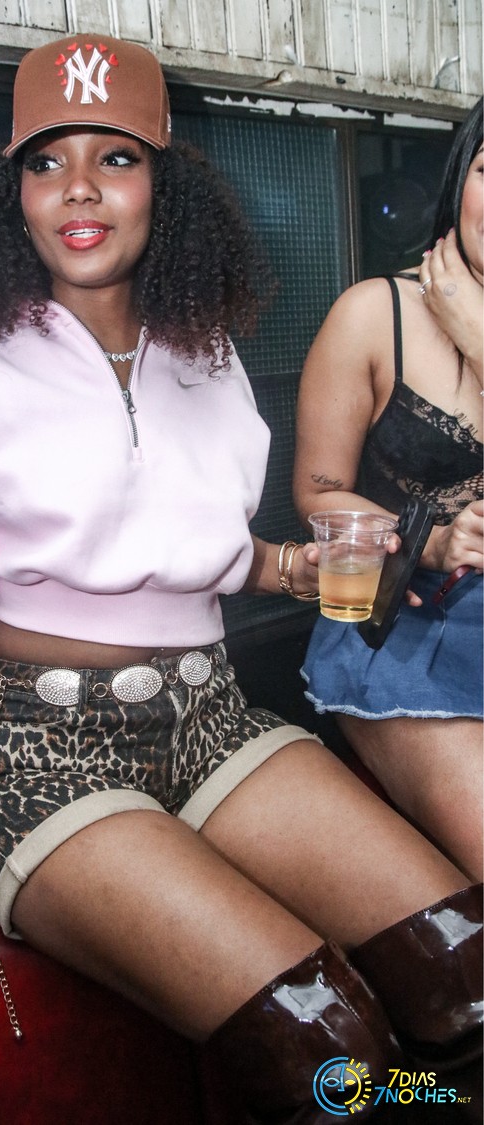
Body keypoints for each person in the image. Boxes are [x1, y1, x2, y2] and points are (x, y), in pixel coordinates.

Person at [0, 37, 481, 1123]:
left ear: (165, 186)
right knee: (320, 1036)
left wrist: (302, 567)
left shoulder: (203, 357)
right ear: (14, 196)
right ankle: (403, 1105)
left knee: (463, 967)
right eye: (46, 162)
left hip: (211, 719)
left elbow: (210, 552)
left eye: (115, 158)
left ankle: (432, 1107)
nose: (78, 187)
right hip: (42, 757)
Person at [294, 99, 483, 885]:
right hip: (403, 630)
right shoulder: (374, 313)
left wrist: (479, 338)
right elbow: (318, 494)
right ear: (460, 179)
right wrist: (432, 539)